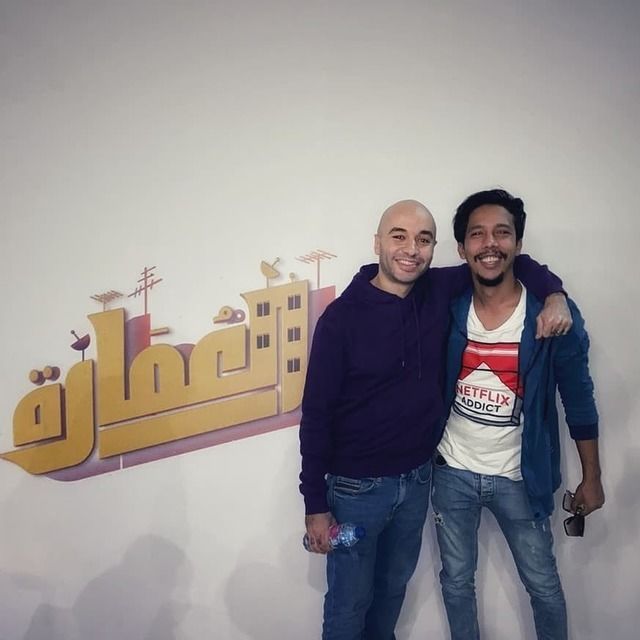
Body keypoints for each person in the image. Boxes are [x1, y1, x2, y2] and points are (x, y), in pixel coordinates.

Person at [299, 199, 572, 640]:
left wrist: (555, 293)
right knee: (348, 606)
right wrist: (315, 503)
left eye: (423, 240)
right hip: (356, 490)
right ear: (377, 243)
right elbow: (316, 416)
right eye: (399, 237)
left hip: (417, 482)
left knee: (391, 594)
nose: (412, 250)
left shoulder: (437, 290)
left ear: (435, 247)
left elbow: (505, 260)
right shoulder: (341, 319)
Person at [431, 189, 604, 640]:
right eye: (477, 234)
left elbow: (579, 399)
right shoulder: (447, 306)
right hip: (452, 472)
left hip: (521, 477)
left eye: (502, 233)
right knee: (456, 583)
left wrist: (592, 476)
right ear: (461, 248)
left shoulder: (552, 317)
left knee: (543, 586)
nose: (490, 244)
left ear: (518, 244)